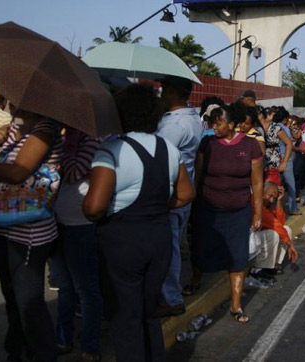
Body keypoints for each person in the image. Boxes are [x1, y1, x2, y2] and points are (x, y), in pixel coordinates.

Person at [83, 84, 194, 362]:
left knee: (125, 317)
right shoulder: (167, 147)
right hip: (159, 238)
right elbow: (186, 194)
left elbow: (94, 208)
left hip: (122, 243)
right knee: (149, 312)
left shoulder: (111, 150)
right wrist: (156, 207)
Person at [0, 106, 63, 362]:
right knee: (11, 295)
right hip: (0, 222)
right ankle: (17, 349)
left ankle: (42, 354)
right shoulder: (10, 129)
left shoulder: (44, 129)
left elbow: (18, 172)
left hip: (30, 229)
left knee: (28, 301)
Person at [191, 103, 263, 324]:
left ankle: (236, 306)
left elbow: (257, 183)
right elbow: (198, 175)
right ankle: (194, 280)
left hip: (238, 210)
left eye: (219, 122)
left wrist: (257, 213)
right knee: (200, 248)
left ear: (232, 124)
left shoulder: (251, 145)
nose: (214, 127)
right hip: (208, 209)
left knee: (237, 257)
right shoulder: (208, 143)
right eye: (213, 123)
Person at [51, 127, 103, 362]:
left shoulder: (93, 141)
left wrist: (67, 149)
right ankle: (63, 338)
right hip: (60, 220)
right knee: (64, 286)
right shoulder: (66, 139)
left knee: (86, 289)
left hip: (81, 224)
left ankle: (90, 345)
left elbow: (72, 173)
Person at [155, 76, 203, 318]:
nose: (161, 92)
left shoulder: (174, 126)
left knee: (168, 250)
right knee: (172, 247)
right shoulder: (192, 118)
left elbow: (158, 159)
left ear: (173, 92)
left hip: (171, 195)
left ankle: (171, 298)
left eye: (163, 88)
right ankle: (170, 296)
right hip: (183, 191)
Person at [249, 181, 298, 281]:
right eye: (270, 196)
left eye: (274, 198)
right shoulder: (255, 202)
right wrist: (290, 244)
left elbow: (280, 221)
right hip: (248, 238)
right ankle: (257, 270)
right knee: (273, 234)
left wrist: (279, 201)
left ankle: (272, 265)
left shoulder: (267, 204)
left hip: (257, 234)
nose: (271, 200)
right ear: (261, 192)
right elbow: (275, 225)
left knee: (287, 230)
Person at [257, 106, 292, 186]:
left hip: (272, 165)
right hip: (258, 166)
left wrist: (284, 162)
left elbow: (289, 143)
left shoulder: (275, 127)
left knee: (273, 189)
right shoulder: (254, 128)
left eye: (258, 113)